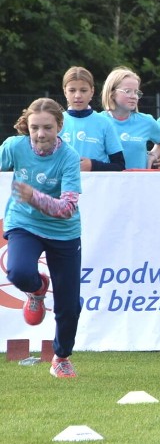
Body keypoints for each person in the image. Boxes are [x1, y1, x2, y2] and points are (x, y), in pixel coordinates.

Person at [1, 98, 82, 378]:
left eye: (47, 127)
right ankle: (36, 290)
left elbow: (68, 207)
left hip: (63, 232)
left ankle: (61, 357)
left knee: (69, 305)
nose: (40, 134)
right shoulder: (15, 147)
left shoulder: (69, 157)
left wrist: (33, 196)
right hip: (24, 224)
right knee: (19, 271)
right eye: (35, 128)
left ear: (59, 126)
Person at [101, 66, 160, 170]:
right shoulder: (99, 121)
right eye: (127, 91)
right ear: (112, 93)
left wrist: (153, 155)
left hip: (138, 183)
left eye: (136, 92)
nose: (134, 96)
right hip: (107, 183)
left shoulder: (146, 121)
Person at [59, 66, 125, 171]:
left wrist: (93, 166)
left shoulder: (104, 123)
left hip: (97, 186)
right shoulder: (56, 122)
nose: (77, 95)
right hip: (65, 186)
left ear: (92, 91)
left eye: (83, 90)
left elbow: (119, 165)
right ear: (65, 92)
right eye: (72, 90)